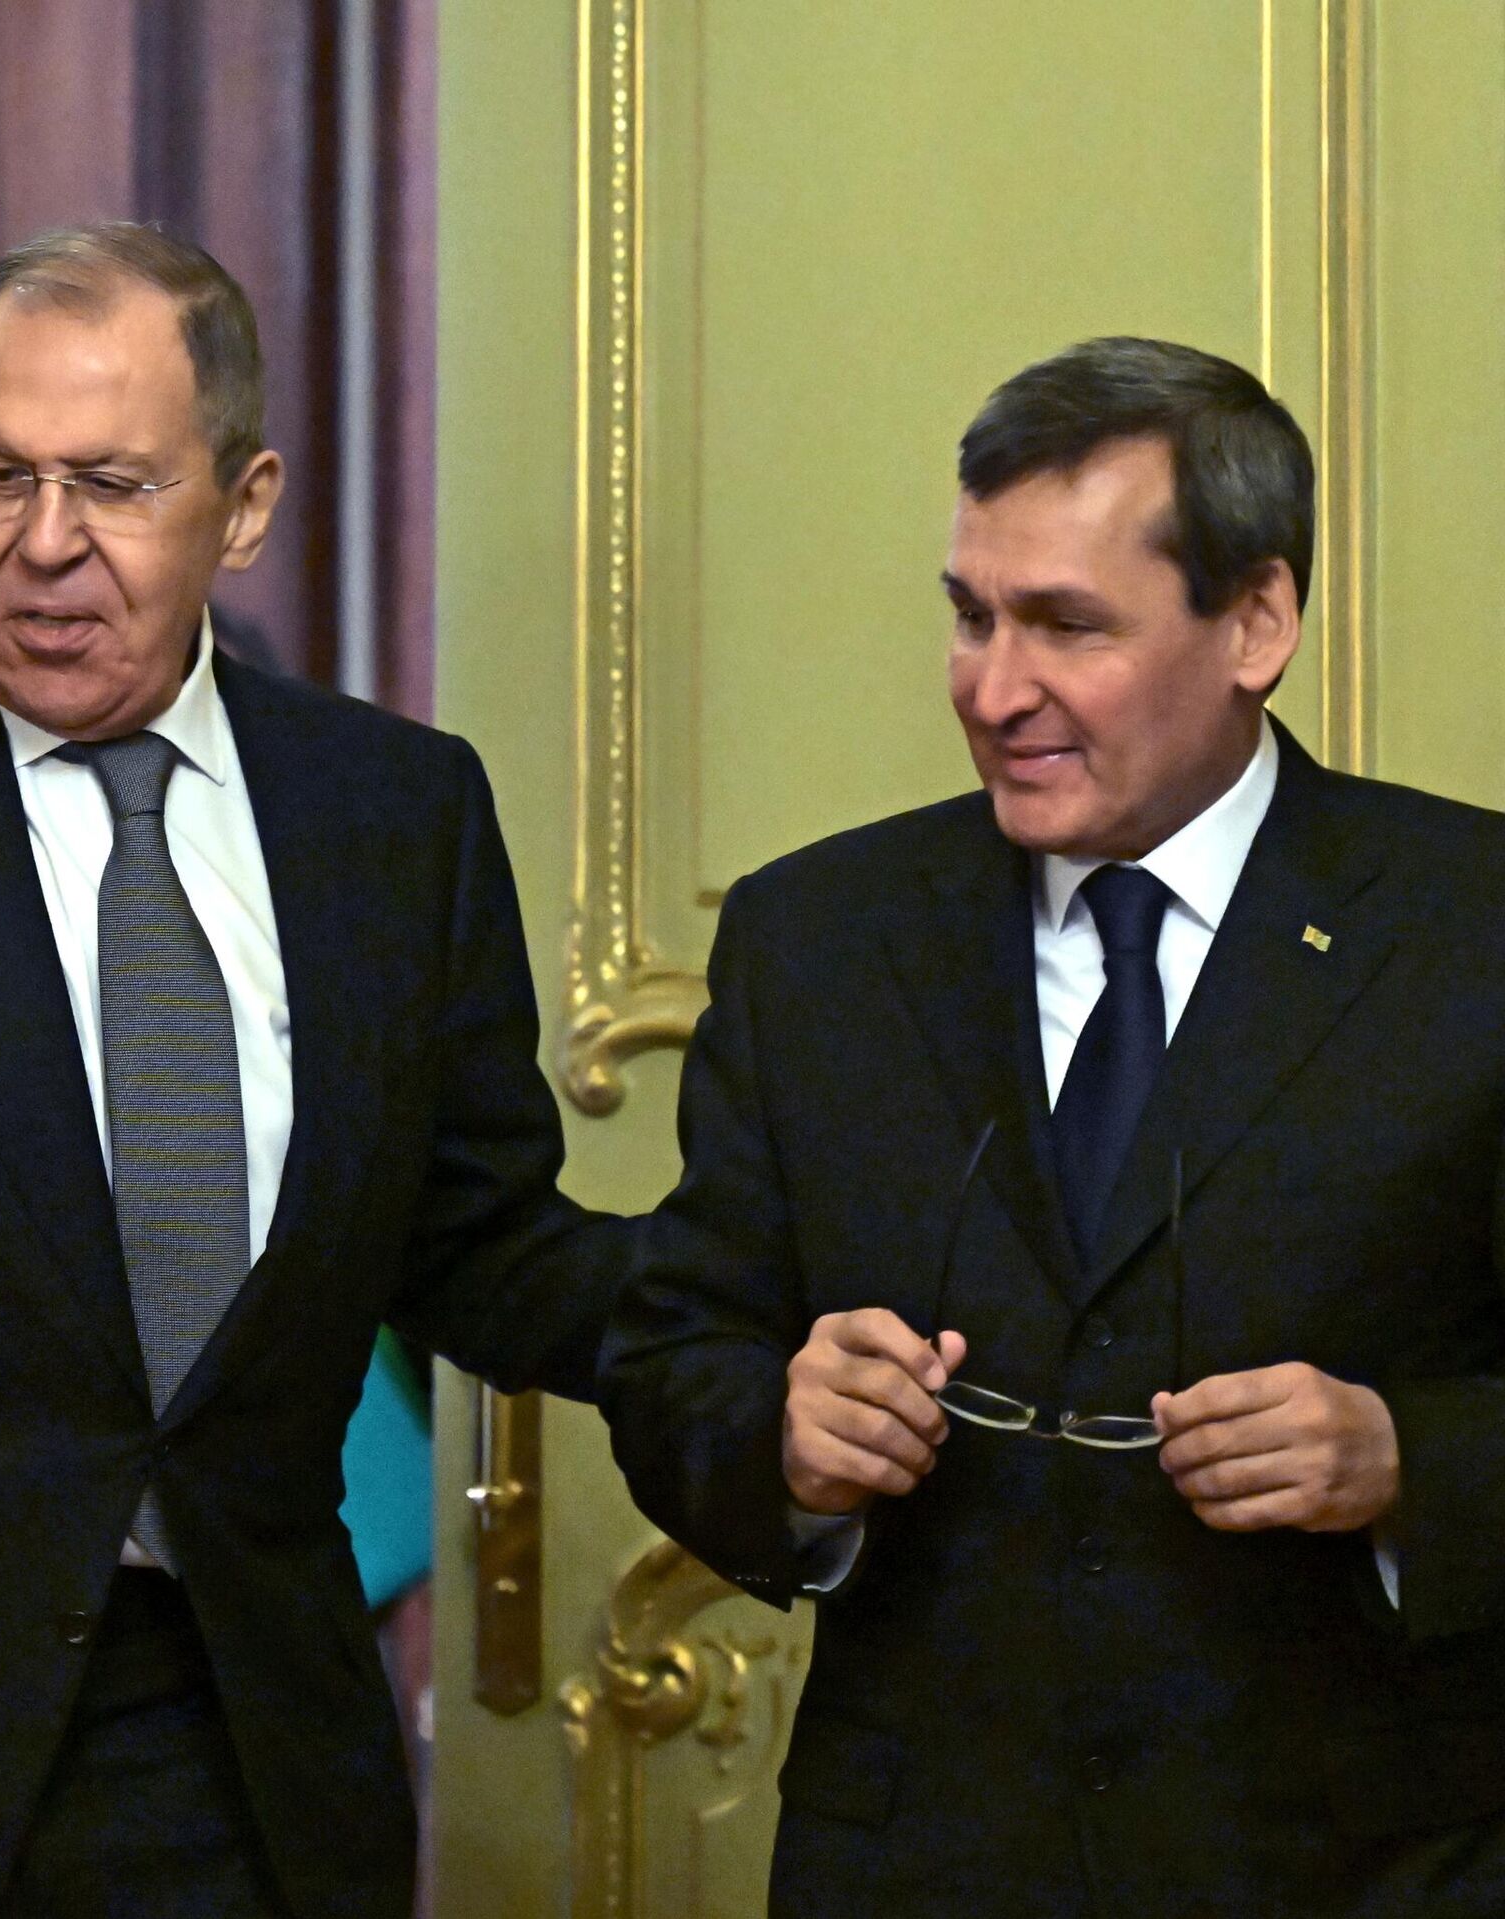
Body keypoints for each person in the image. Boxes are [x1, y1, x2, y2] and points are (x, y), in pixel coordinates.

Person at [0, 222, 627, 1919]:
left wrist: (751, 1356)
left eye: (114, 485)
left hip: (227, 1755)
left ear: (246, 502)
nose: (45, 543)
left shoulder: (394, 812)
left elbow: (484, 1242)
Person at [599, 336, 1505, 1917]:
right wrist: (789, 1444)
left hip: (1356, 1865)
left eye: (1067, 626)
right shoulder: (820, 939)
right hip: (919, 1867)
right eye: (972, 616)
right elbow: (676, 1354)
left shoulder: (1468, 931)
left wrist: (1404, 1461)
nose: (994, 689)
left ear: (1257, 622)